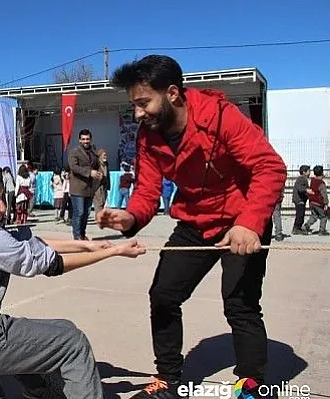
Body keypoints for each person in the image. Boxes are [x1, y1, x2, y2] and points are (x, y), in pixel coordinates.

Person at [99, 54, 286, 399]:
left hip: (241, 219)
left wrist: (249, 224)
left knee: (240, 304)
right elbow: (147, 188)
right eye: (134, 105)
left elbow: (270, 168)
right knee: (163, 295)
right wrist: (130, 217)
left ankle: (251, 385)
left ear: (172, 93)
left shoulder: (221, 117)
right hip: (195, 220)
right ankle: (168, 380)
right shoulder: (148, 135)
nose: (138, 113)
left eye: (143, 103)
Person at [0, 161, 146, 399]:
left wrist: (86, 245)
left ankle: (38, 391)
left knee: (60, 329)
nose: (2, 207)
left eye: (2, 198)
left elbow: (27, 242)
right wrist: (113, 252)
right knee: (73, 343)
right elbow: (51, 265)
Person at [67, 129, 102, 240]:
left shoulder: (93, 152)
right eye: (83, 139)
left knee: (86, 214)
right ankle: (77, 236)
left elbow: (96, 166)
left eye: (87, 139)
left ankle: (82, 234)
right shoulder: (74, 152)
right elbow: (74, 168)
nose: (85, 141)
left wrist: (99, 173)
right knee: (79, 212)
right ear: (79, 140)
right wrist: (89, 172)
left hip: (89, 188)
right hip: (77, 188)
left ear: (90, 139)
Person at [301, 165, 328, 235]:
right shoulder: (321, 183)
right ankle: (322, 231)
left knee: (314, 216)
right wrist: (326, 203)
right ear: (322, 173)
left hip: (312, 202)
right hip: (319, 203)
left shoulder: (312, 181)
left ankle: (306, 226)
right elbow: (324, 194)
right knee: (324, 216)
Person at [292, 165, 311, 235]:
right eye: (309, 171)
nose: (310, 173)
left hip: (301, 200)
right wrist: (307, 190)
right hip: (299, 200)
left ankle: (296, 228)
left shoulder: (303, 179)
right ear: (304, 172)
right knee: (300, 215)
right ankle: (297, 228)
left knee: (300, 215)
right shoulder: (301, 179)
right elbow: (300, 188)